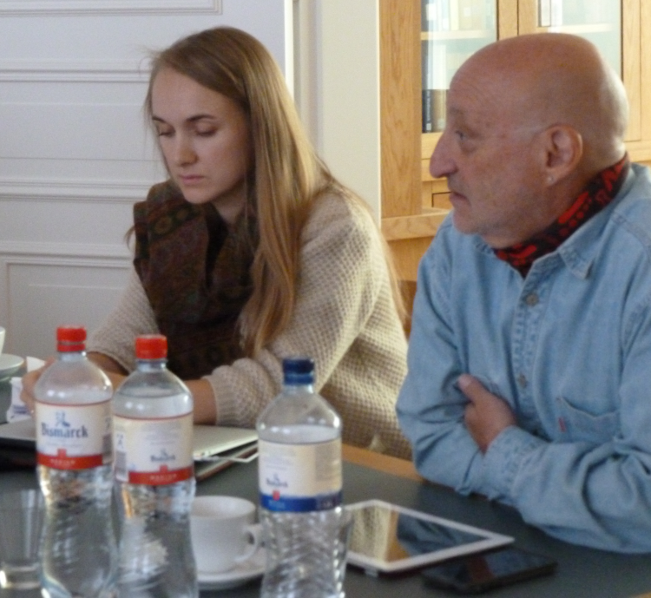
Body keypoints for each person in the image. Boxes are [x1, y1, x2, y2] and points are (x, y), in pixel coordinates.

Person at [24, 26, 410, 458]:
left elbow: (277, 387)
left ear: (260, 126)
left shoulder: (335, 226)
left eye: (204, 130)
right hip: (235, 452)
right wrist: (79, 376)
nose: (180, 155)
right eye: (165, 132)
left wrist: (136, 396)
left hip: (356, 465)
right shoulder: (171, 216)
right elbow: (126, 337)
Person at [396, 32, 651, 552]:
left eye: (465, 136)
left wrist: (503, 448)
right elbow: (431, 435)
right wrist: (560, 490)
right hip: (512, 558)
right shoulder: (460, 243)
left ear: (556, 153)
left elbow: (642, 501)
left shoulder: (641, 263)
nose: (438, 162)